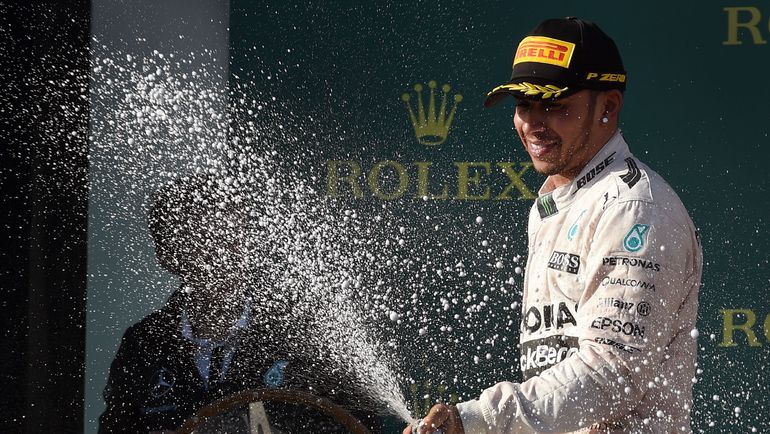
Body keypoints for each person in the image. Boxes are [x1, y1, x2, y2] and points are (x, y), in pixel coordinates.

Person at [405, 18, 702, 434]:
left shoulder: (634, 208)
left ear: (608, 107)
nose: (532, 123)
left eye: (553, 105)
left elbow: (610, 373)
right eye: (523, 105)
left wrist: (475, 420)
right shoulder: (555, 203)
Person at [98, 173, 382, 433]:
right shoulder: (143, 344)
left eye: (233, 237)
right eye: (203, 240)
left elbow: (360, 424)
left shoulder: (301, 333)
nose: (223, 256)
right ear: (168, 255)